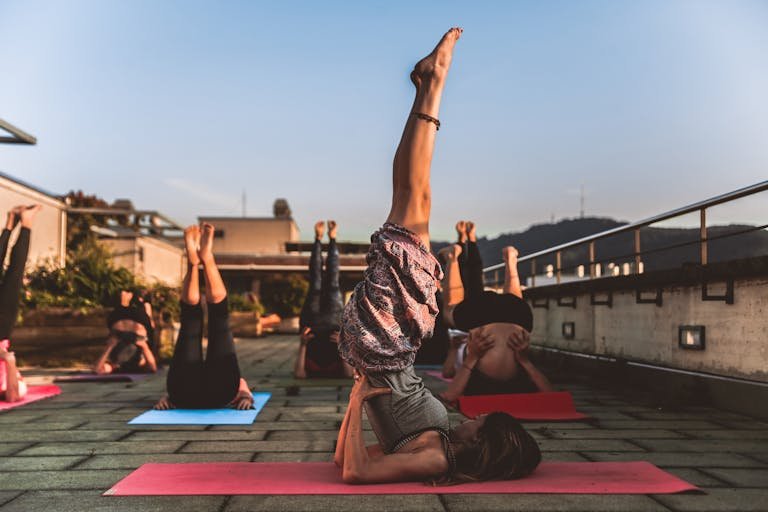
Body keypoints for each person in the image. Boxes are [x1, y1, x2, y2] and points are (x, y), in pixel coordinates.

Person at [334, 28, 541, 485]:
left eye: (481, 422)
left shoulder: (436, 459)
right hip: (394, 344)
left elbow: (352, 472)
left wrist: (357, 396)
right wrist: (359, 397)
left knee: (412, 201)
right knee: (415, 201)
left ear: (480, 443)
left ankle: (433, 84)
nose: (476, 416)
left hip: (383, 345)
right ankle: (430, 85)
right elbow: (347, 459)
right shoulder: (441, 441)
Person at [438, 222, 553, 402]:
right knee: (450, 309)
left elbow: (551, 396)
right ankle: (452, 259)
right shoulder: (479, 382)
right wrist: (524, 360)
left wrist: (524, 361)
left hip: (517, 319)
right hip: (481, 321)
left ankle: (510, 262)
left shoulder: (514, 380)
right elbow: (449, 396)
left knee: (515, 304)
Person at [154, 223, 253, 411]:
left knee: (219, 319)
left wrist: (168, 397)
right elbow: (242, 385)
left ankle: (203, 260)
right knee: (190, 321)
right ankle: (201, 260)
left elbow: (240, 382)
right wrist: (246, 395)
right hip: (186, 392)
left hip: (193, 393)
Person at [294, 220, 354, 379]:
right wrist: (342, 346)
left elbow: (299, 375)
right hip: (333, 323)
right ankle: (332, 238)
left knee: (316, 280)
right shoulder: (338, 369)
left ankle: (318, 239)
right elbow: (349, 374)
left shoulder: (310, 367)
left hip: (311, 323)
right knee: (332, 280)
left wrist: (302, 345)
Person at [0, 205, 41, 402]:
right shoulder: (12, 386)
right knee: (14, 275)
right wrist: (8, 360)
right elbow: (13, 396)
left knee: (14, 274)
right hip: (2, 331)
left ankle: (14, 222)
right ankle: (21, 222)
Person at [93, 289, 158, 375]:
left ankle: (125, 302)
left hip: (127, 333)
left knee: (130, 322)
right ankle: (126, 302)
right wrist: (144, 346)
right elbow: (153, 368)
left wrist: (109, 347)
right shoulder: (139, 362)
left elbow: (97, 370)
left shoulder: (115, 364)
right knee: (140, 322)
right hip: (133, 332)